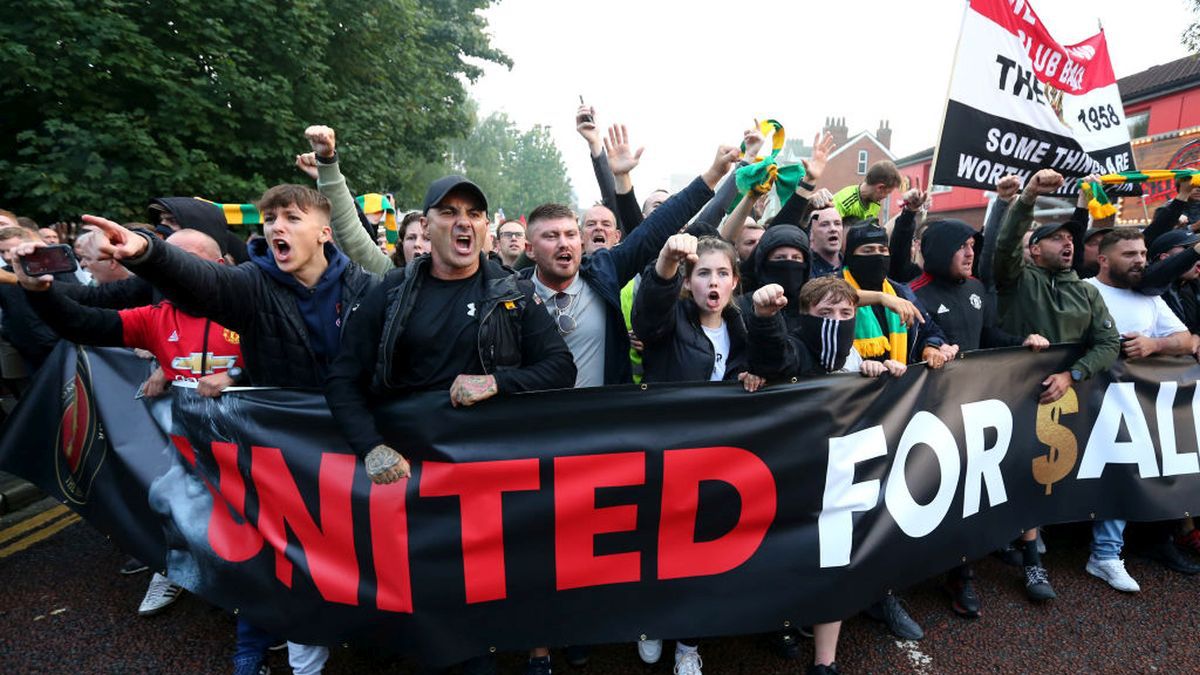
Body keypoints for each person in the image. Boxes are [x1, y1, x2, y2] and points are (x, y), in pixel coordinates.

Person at [83, 183, 378, 675]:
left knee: (361, 552)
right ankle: (304, 662)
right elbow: (202, 281)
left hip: (355, 446)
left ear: (325, 233)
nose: (277, 227)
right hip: (285, 453)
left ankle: (376, 634)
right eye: (270, 219)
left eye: (291, 217)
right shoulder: (251, 285)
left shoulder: (367, 288)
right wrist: (146, 252)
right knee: (291, 557)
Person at [323, 175, 575, 675]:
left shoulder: (512, 292)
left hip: (485, 479)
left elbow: (559, 368)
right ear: (427, 223)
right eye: (449, 211)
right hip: (409, 479)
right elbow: (343, 379)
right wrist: (370, 446)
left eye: (474, 214)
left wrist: (496, 383)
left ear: (484, 229)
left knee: (480, 610)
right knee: (419, 606)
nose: (464, 222)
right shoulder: (389, 292)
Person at [13, 229, 244, 619]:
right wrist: (38, 290)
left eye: (187, 262)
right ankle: (180, 571)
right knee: (170, 502)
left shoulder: (251, 305)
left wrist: (237, 375)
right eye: (170, 261)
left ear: (218, 266)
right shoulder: (157, 316)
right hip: (194, 449)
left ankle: (274, 617)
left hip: (260, 451)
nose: (177, 273)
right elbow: (82, 323)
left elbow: (300, 355)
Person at [747, 275, 906, 675]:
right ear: (805, 316)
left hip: (837, 484)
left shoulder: (855, 356)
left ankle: (825, 662)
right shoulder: (798, 347)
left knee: (834, 562)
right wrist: (766, 318)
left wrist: (879, 376)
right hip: (791, 478)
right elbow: (776, 359)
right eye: (825, 313)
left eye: (845, 313)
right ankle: (782, 623)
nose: (837, 319)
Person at [910, 218, 1050, 617]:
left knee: (1003, 480)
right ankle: (960, 575)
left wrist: (1022, 344)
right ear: (937, 251)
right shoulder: (915, 293)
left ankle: (1029, 561)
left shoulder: (975, 290)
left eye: (973, 245)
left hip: (982, 407)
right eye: (961, 246)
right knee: (953, 495)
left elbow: (989, 335)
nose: (970, 253)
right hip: (937, 414)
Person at [993, 168, 1120, 602]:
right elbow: (1005, 244)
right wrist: (1026, 196)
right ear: (1034, 249)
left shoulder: (1086, 292)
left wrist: (1074, 374)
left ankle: (1032, 561)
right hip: (1006, 398)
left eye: (1071, 238)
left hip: (1058, 403)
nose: (1068, 243)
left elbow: (1108, 342)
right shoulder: (1017, 278)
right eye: (1056, 238)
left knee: (1037, 477)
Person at [522, 145, 739, 388]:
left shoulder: (603, 272)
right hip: (540, 421)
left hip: (606, 418)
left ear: (580, 240)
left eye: (570, 234)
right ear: (529, 249)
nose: (564, 243)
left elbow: (653, 228)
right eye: (551, 236)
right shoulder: (511, 294)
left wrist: (714, 174)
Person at [1083, 228, 1200, 592]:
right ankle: (1105, 554)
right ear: (1104, 259)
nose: (1140, 261)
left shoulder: (1149, 296)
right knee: (1117, 471)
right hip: (1096, 406)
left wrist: (1154, 344)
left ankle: (1151, 541)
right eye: (1129, 254)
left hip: (1147, 404)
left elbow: (1187, 340)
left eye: (1143, 253)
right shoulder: (1086, 291)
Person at [0, 227, 78, 373]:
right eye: (2, 251)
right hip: (28, 350)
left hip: (60, 346)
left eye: (10, 250)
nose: (7, 256)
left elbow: (75, 298)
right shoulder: (4, 275)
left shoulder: (52, 266)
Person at [832, 160, 901, 221]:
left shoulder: (875, 204)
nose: (886, 196)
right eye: (887, 192)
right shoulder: (843, 202)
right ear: (880, 188)